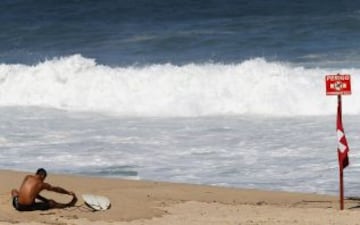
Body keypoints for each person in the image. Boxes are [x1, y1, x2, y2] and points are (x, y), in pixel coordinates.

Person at [11, 168, 77, 211]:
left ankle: (45, 201)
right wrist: (68, 192)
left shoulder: (27, 177)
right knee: (52, 203)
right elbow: (56, 189)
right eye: (44, 178)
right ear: (42, 175)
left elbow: (29, 193)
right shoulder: (41, 184)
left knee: (14, 191)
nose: (44, 180)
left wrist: (45, 200)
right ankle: (68, 205)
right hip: (26, 207)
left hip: (17, 204)